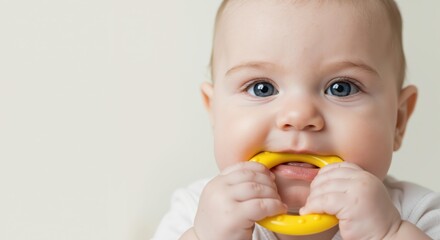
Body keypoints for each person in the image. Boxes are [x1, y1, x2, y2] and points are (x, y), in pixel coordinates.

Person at [153, 0, 440, 239]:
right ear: (214, 111)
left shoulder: (417, 215)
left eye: (342, 88)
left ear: (398, 121)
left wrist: (389, 233)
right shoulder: (196, 213)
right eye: (261, 88)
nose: (299, 116)